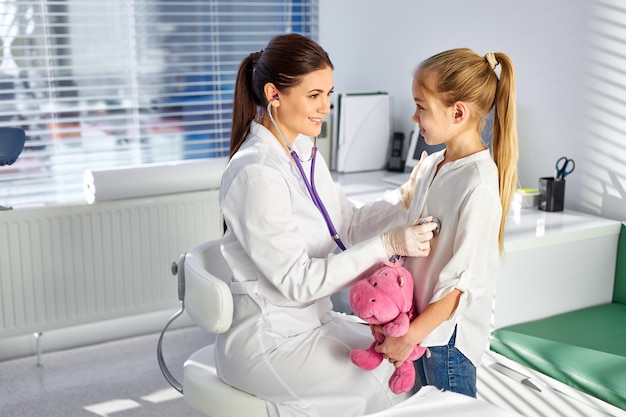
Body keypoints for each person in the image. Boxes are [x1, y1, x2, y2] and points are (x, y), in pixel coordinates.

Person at [216, 33, 438, 417]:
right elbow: (298, 281)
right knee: (382, 381)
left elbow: (346, 226)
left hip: (314, 322)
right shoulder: (256, 173)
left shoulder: (304, 154)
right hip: (270, 340)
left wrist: (403, 199)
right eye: (314, 95)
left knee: (403, 356)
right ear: (274, 94)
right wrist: (387, 243)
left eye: (329, 94)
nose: (326, 107)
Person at [374, 48, 519, 398]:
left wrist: (408, 338)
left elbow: (460, 289)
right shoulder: (432, 165)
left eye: (421, 106)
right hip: (421, 330)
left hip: (445, 342)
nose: (413, 116)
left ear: (457, 112)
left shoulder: (478, 184)